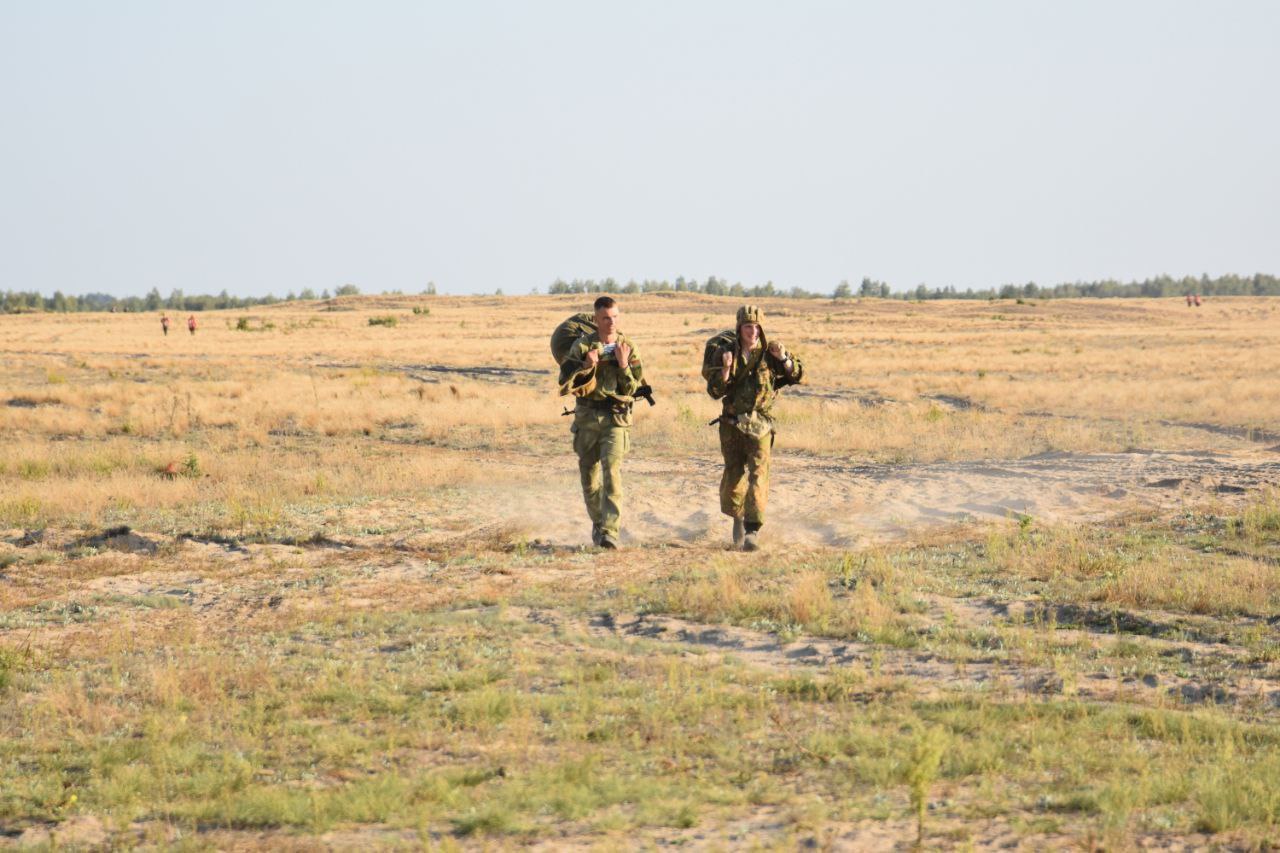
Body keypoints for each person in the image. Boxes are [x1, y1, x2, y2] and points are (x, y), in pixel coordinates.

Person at [702, 305, 804, 551]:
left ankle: (752, 531)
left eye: (757, 326)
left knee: (759, 476)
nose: (754, 331)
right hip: (732, 426)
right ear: (740, 328)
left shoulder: (770, 353)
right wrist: (726, 370)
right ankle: (738, 516)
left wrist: (785, 360)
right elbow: (715, 392)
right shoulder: (726, 353)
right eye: (749, 326)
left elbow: (797, 375)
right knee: (733, 479)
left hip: (760, 426)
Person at [557, 296, 644, 549]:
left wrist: (624, 364)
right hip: (587, 419)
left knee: (612, 472)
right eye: (606, 318)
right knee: (589, 476)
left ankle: (610, 531)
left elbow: (635, 387)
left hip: (616, 418)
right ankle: (599, 522)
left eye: (615, 317)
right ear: (596, 320)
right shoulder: (582, 347)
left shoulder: (628, 346)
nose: (612, 322)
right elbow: (566, 384)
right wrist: (586, 367)